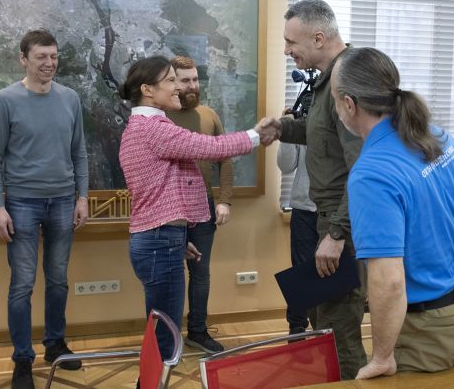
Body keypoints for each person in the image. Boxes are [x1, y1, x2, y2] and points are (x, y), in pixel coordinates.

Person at [330, 47, 454, 379]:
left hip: (430, 328)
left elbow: (388, 282)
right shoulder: (439, 138)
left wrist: (382, 357)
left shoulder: (372, 174)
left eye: (334, 98)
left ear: (349, 104)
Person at [118, 56, 263, 364]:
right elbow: (211, 148)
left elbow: (162, 191)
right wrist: (258, 135)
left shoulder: (146, 124)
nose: (178, 87)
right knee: (165, 339)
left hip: (162, 239)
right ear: (147, 89)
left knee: (162, 331)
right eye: (170, 80)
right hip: (158, 242)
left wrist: (178, 239)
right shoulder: (152, 128)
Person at [258, 0, 366, 380]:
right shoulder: (329, 80)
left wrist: (337, 234)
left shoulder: (349, 80)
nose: (286, 50)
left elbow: (364, 170)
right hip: (327, 219)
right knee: (323, 319)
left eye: (291, 42)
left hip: (342, 224)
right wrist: (283, 128)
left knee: (340, 329)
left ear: (318, 38)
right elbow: (323, 134)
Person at [0, 29, 89, 389]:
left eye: (54, 56)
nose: (49, 63)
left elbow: (79, 152)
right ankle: (23, 359)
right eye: (41, 57)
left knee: (58, 279)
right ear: (23, 59)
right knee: (22, 285)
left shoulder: (70, 98)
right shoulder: (5, 100)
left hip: (63, 201)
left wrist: (82, 197)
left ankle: (55, 345)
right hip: (21, 204)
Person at [165, 55, 232, 353]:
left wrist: (224, 201)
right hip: (169, 209)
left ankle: (198, 331)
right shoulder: (159, 118)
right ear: (171, 83)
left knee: (200, 271)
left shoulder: (209, 115)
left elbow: (225, 160)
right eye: (185, 80)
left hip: (203, 206)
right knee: (169, 272)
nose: (192, 85)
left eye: (195, 79)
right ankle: (167, 337)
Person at [277, 140, 318, 336]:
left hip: (338, 208)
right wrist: (287, 133)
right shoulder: (304, 121)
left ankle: (327, 330)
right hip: (303, 207)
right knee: (301, 269)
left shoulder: (347, 118)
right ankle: (297, 326)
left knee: (336, 271)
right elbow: (285, 166)